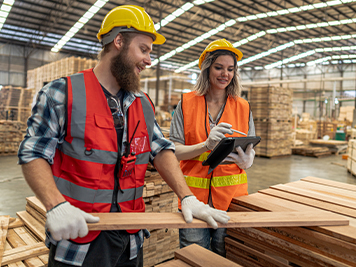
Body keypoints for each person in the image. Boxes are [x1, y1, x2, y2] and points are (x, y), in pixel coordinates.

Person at [17, 6, 230, 267]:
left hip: (130, 237)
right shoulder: (63, 93)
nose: (149, 60)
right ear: (118, 41)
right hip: (79, 235)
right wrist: (54, 205)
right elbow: (34, 152)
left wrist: (187, 196)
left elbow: (161, 150)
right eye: (144, 49)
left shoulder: (142, 103)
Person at [169, 38, 256, 257]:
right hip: (194, 199)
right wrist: (205, 145)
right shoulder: (186, 103)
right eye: (218, 67)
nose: (224, 74)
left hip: (231, 199)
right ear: (206, 69)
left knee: (224, 255)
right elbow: (174, 150)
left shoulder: (243, 106)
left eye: (230, 69)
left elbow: (249, 145)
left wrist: (248, 160)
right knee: (196, 256)